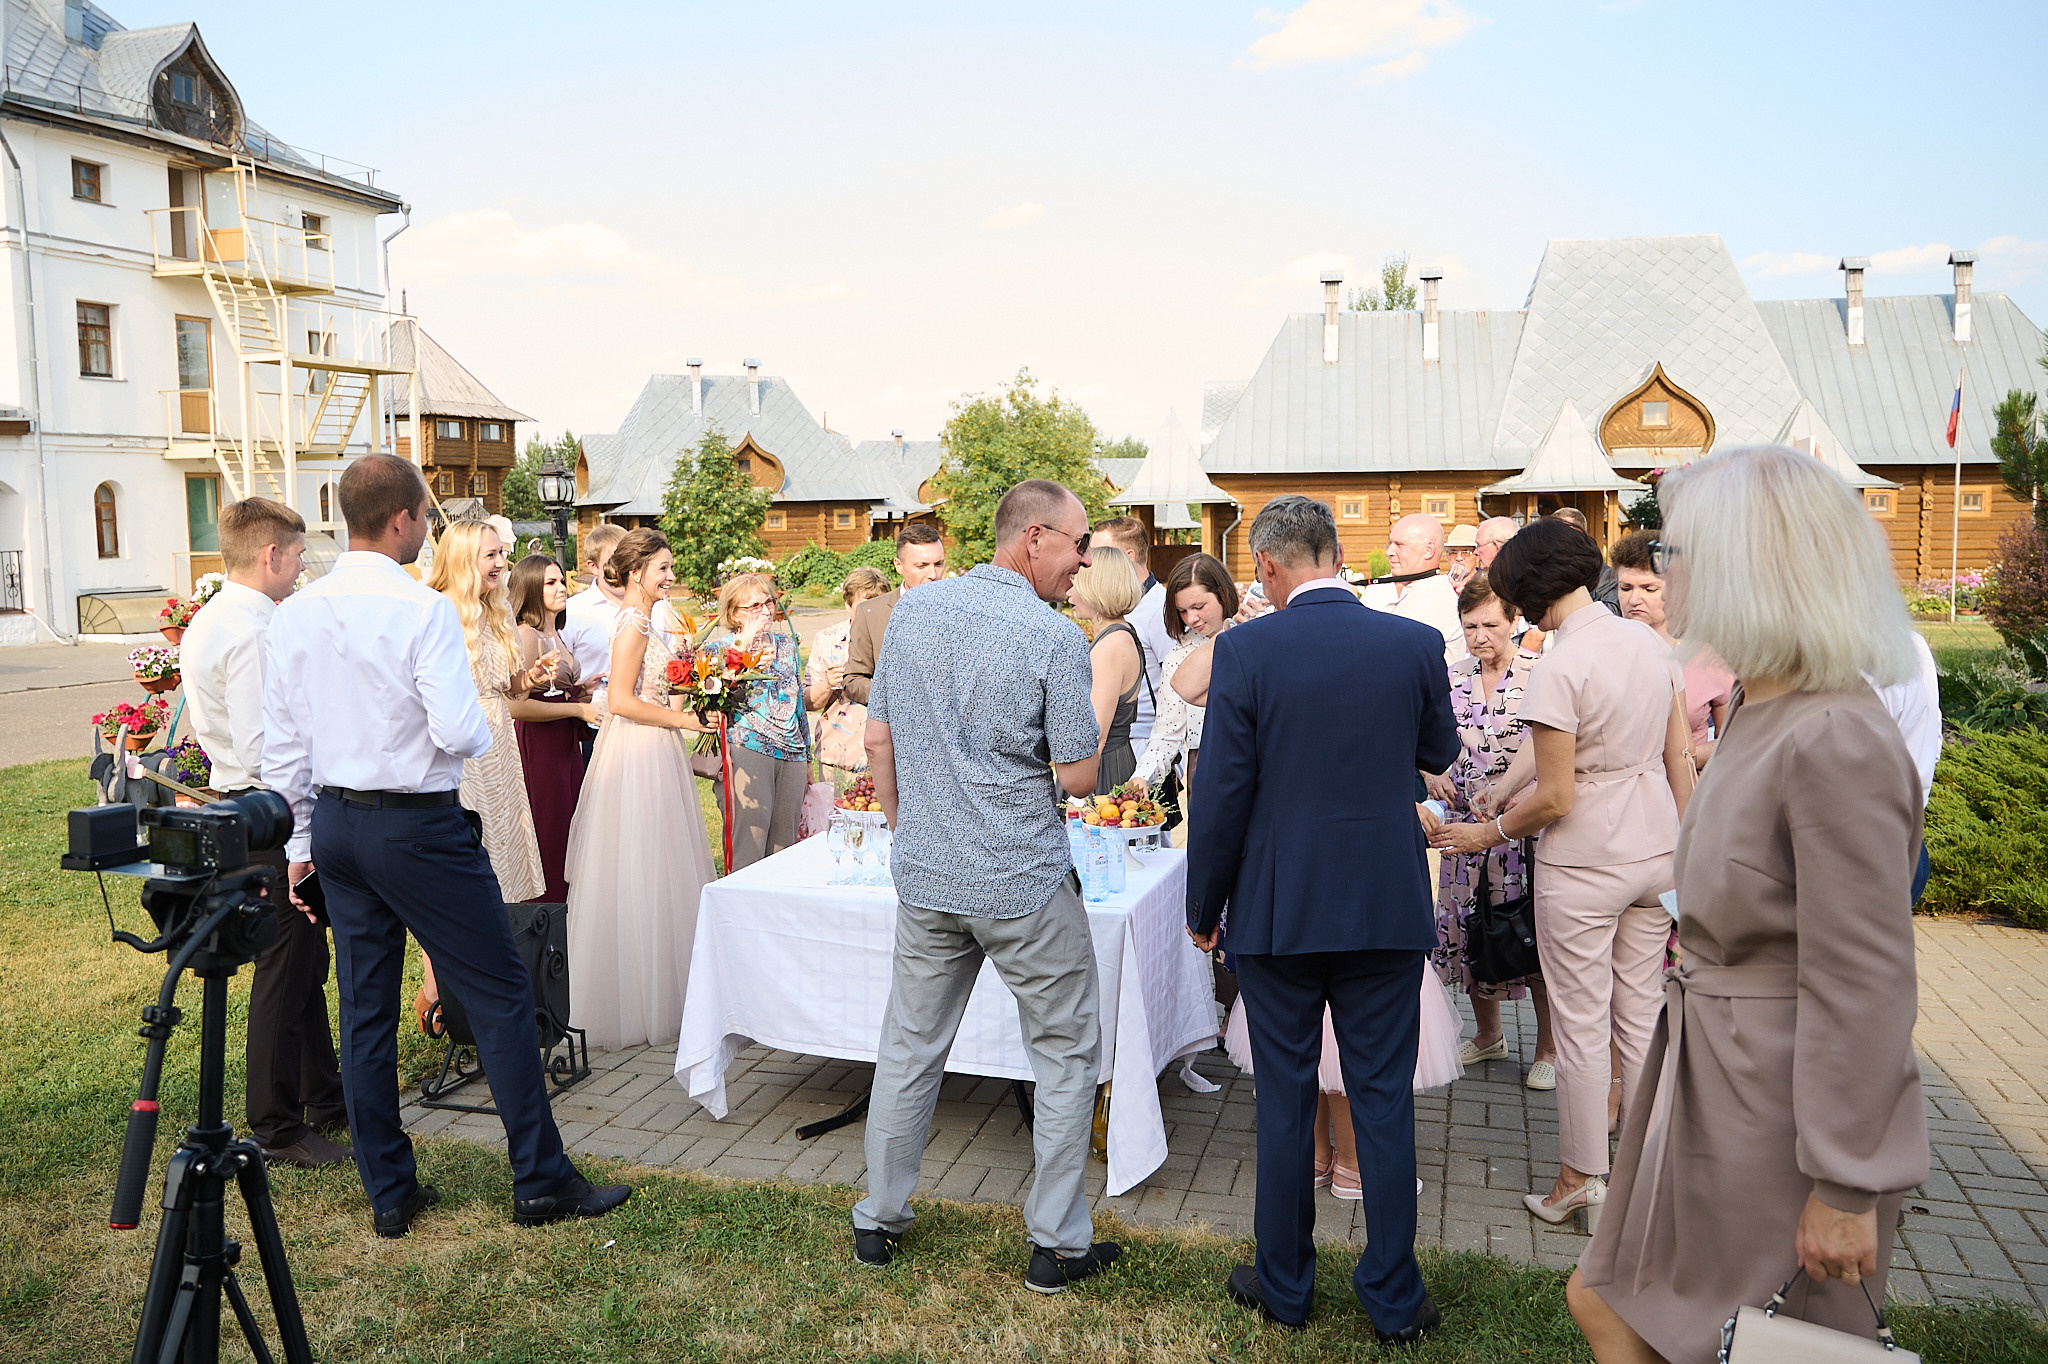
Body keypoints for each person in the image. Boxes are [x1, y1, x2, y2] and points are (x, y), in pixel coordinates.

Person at [1569, 446, 1929, 1364]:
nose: (1658, 572)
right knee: (1614, 1304)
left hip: (1780, 1111)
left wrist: (1847, 1183)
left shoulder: (1835, 734)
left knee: (1745, 1340)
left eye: (1676, 551)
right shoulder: (1759, 704)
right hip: (1719, 1082)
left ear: (1748, 564)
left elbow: (1865, 981)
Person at [262, 454, 627, 1236]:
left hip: (337, 822)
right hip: (418, 823)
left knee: (364, 1007)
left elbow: (283, 745)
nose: (427, 528)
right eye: (426, 516)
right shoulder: (421, 610)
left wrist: (299, 846)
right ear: (402, 519)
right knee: (498, 991)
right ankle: (540, 1179)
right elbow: (461, 730)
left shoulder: (294, 612)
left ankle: (389, 1193)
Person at [1188, 494, 1459, 1344]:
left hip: (1281, 906)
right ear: (1338, 556)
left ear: (1267, 566)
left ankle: (1284, 1286)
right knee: (1382, 1101)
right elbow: (1441, 751)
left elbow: (1221, 792)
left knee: (1284, 1097)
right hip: (1383, 899)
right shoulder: (1413, 643)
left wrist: (1204, 906)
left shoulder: (1246, 649)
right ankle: (1395, 1298)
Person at [852, 479, 1121, 1293]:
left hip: (930, 873)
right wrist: (1100, 707)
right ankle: (1057, 1243)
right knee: (1065, 1051)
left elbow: (876, 738)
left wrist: (905, 829)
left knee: (909, 1046)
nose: (1085, 562)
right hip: (1021, 880)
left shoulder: (916, 613)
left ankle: (879, 1217)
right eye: (1078, 544)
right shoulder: (1052, 636)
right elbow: (1078, 778)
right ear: (1034, 537)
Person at [1432, 517, 1694, 1235]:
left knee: (1581, 1028)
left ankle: (1580, 1178)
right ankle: (1649, 1176)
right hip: (1656, 851)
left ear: (1530, 592)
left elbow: (1555, 796)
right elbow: (1677, 758)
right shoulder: (1647, 643)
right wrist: (1690, 848)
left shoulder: (1558, 665)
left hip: (1584, 863)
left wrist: (1487, 830)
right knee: (1640, 1015)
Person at [182, 496, 348, 1170]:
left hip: (246, 805)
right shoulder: (251, 630)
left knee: (303, 962)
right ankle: (276, 1126)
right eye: (299, 555)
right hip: (268, 811)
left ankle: (325, 1096)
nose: (303, 566)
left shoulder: (218, 616)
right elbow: (264, 747)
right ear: (270, 554)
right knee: (285, 967)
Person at [563, 528, 718, 1052]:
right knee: (643, 863)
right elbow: (622, 701)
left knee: (664, 863)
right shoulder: (631, 623)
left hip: (657, 744)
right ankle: (637, 997)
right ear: (636, 574)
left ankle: (670, 988)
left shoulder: (649, 619)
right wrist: (686, 721)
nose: (670, 577)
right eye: (663, 569)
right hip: (638, 748)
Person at [1429, 573, 1557, 1087]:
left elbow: (1556, 751)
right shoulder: (1451, 675)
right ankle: (1488, 1034)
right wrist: (1431, 774)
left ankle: (1548, 1048)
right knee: (1472, 929)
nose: (1480, 636)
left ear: (1514, 621)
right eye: (1470, 627)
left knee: (1532, 934)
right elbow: (1430, 738)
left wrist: (1520, 793)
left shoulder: (1541, 673)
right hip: (1464, 824)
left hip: (1524, 828)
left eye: (1490, 625)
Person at [426, 521, 548, 905]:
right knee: (470, 852)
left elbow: (512, 687)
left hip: (501, 745)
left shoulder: (499, 608)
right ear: (463, 559)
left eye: (501, 554)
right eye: (490, 555)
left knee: (505, 854)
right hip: (461, 745)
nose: (501, 563)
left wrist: (533, 677)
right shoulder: (436, 609)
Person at [507, 554, 600, 903]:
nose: (562, 588)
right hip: (541, 748)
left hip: (565, 746)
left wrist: (581, 690)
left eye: (561, 580)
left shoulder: (556, 633)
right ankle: (546, 913)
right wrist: (577, 708)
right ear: (531, 587)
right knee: (549, 832)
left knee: (570, 830)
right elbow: (516, 705)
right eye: (551, 582)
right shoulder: (527, 635)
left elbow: (556, 692)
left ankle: (569, 911)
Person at [703, 572, 809, 870]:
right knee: (748, 848)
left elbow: (798, 700)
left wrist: (807, 755)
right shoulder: (719, 650)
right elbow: (712, 700)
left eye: (769, 602)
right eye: (755, 606)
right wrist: (742, 654)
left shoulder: (786, 644)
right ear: (734, 613)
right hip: (748, 748)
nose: (765, 611)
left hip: (792, 753)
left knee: (784, 851)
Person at [1610, 530, 1733, 768]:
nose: (1634, 600)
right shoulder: (1599, 654)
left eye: (1649, 589)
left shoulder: (1707, 658)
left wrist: (1683, 758)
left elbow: (1732, 739)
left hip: (1686, 786)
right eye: (1625, 588)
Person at [1131, 552, 1238, 795]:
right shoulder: (1179, 655)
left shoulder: (1255, 628)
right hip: (1206, 768)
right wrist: (1142, 776)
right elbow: (1166, 733)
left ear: (1223, 593)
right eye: (1182, 611)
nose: (1192, 618)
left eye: (1199, 607)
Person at [1091, 516, 1173, 761]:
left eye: (1100, 553)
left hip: (1143, 747)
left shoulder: (1159, 608)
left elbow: (1176, 684)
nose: (1088, 561)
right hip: (1118, 742)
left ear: (1129, 556)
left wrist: (1161, 756)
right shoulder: (1117, 606)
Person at [1066, 545, 1146, 795]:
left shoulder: (1110, 646)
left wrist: (1078, 798)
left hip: (1101, 770)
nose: (1069, 592)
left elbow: (1096, 734)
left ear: (1096, 588)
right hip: (1112, 761)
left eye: (1076, 583)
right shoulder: (1123, 634)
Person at [842, 523, 947, 706]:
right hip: (894, 720)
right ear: (898, 565)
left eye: (938, 564)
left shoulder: (962, 610)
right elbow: (853, 681)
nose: (932, 574)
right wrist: (896, 696)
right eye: (921, 566)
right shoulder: (871, 613)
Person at [806, 567, 892, 788]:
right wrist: (827, 684)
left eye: (878, 604)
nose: (871, 612)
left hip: (889, 758)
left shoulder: (898, 637)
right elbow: (807, 702)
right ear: (847, 605)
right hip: (838, 759)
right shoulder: (827, 640)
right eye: (864, 606)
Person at [1363, 512, 1467, 663]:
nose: (1389, 552)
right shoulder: (1396, 587)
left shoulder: (1437, 594)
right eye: (1390, 544)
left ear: (1428, 550)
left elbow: (1382, 648)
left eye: (1399, 545)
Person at [564, 523, 627, 764]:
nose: (621, 567)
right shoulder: (574, 611)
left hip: (644, 721)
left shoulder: (653, 606)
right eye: (613, 560)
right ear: (592, 566)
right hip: (595, 723)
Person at [1548, 508, 1621, 615]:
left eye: (1563, 531)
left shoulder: (1603, 573)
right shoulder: (1543, 569)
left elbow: (1611, 611)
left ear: (1581, 535)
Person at [1445, 524, 1481, 593]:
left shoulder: (1486, 586)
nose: (1459, 558)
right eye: (1453, 552)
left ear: (1478, 556)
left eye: (1466, 552)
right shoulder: (1440, 586)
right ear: (1447, 556)